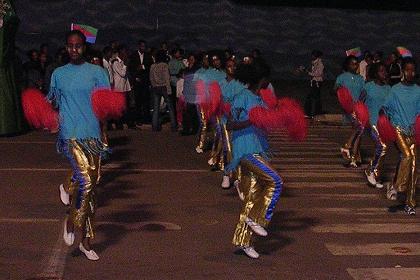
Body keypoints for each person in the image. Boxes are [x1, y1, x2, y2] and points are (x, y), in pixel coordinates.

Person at [48, 30, 111, 260]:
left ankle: (86, 242)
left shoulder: (98, 73)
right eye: (70, 46)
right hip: (70, 135)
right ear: (66, 47)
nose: (74, 50)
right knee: (86, 181)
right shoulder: (58, 74)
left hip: (92, 134)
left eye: (78, 46)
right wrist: (47, 116)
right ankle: (71, 224)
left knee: (92, 187)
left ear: (85, 47)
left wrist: (104, 131)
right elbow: (52, 102)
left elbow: (104, 104)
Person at [226, 63, 282, 259]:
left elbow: (264, 123)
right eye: (267, 79)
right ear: (261, 78)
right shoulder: (242, 97)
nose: (268, 82)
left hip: (257, 147)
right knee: (275, 181)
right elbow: (230, 124)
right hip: (246, 151)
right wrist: (252, 120)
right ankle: (259, 218)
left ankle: (243, 241)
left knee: (252, 197)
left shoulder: (259, 99)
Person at [383, 58, 420, 216]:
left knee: (413, 167)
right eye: (407, 70)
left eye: (413, 70)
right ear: (402, 71)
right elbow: (385, 107)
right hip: (398, 129)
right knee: (407, 156)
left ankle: (410, 203)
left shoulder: (418, 90)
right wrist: (383, 118)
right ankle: (397, 187)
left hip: (413, 132)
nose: (410, 73)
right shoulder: (395, 90)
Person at [359, 62, 391, 189]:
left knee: (383, 150)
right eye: (381, 71)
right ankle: (370, 169)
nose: (384, 73)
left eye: (385, 71)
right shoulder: (368, 87)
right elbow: (359, 104)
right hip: (371, 122)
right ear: (375, 73)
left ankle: (376, 175)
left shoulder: (389, 89)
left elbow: (390, 106)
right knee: (382, 146)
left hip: (384, 124)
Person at [335, 55, 365, 167]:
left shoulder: (361, 79)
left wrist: (361, 103)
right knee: (359, 128)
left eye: (356, 63)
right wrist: (339, 91)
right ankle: (347, 146)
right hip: (347, 107)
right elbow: (336, 89)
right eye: (353, 63)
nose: (356, 65)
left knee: (360, 132)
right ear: (347, 65)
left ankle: (353, 158)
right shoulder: (342, 77)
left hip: (358, 107)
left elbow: (363, 92)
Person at [149, 50, 177, 131]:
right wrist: (169, 90)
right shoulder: (164, 65)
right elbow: (167, 78)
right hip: (164, 87)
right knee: (170, 107)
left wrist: (154, 85)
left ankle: (154, 127)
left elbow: (151, 78)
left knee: (156, 108)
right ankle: (174, 126)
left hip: (156, 87)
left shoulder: (152, 66)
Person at [128, 40, 154, 127]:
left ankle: (146, 119)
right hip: (137, 81)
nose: (143, 48)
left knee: (146, 101)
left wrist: (143, 67)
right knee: (138, 101)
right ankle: (138, 119)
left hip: (145, 81)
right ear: (139, 46)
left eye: (144, 46)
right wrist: (135, 77)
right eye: (142, 46)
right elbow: (130, 68)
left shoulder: (148, 55)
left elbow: (151, 66)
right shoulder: (133, 55)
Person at [112, 46, 133, 129]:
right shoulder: (116, 62)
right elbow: (122, 74)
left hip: (123, 87)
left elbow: (125, 77)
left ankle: (125, 123)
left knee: (125, 107)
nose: (126, 54)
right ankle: (119, 124)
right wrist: (125, 65)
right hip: (118, 88)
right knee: (120, 107)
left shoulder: (121, 62)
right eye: (124, 52)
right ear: (120, 52)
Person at [304, 50, 324, 118]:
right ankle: (317, 113)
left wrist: (308, 73)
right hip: (314, 82)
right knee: (316, 98)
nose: (312, 56)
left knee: (311, 98)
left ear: (316, 56)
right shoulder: (314, 63)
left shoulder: (320, 64)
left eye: (313, 55)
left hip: (317, 82)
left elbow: (318, 74)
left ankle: (309, 113)